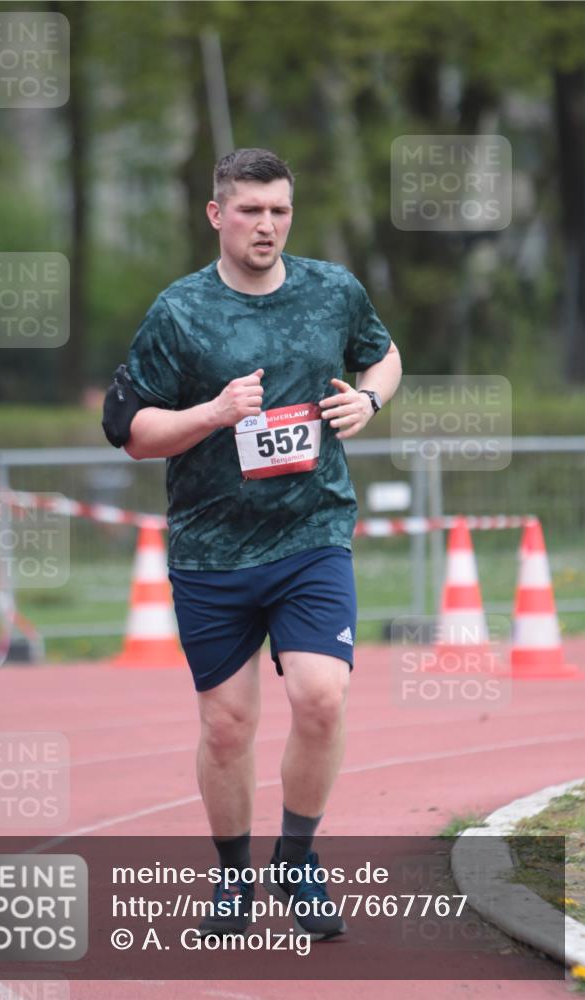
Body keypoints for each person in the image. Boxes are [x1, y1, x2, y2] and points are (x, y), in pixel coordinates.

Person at [102, 148, 402, 941]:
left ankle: (296, 859)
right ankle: (234, 878)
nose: (265, 224)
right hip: (211, 549)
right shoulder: (178, 312)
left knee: (320, 696)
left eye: (278, 210)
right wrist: (212, 414)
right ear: (216, 215)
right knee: (227, 726)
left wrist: (368, 398)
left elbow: (383, 351)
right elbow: (129, 433)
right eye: (249, 210)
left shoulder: (332, 290)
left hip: (311, 533)